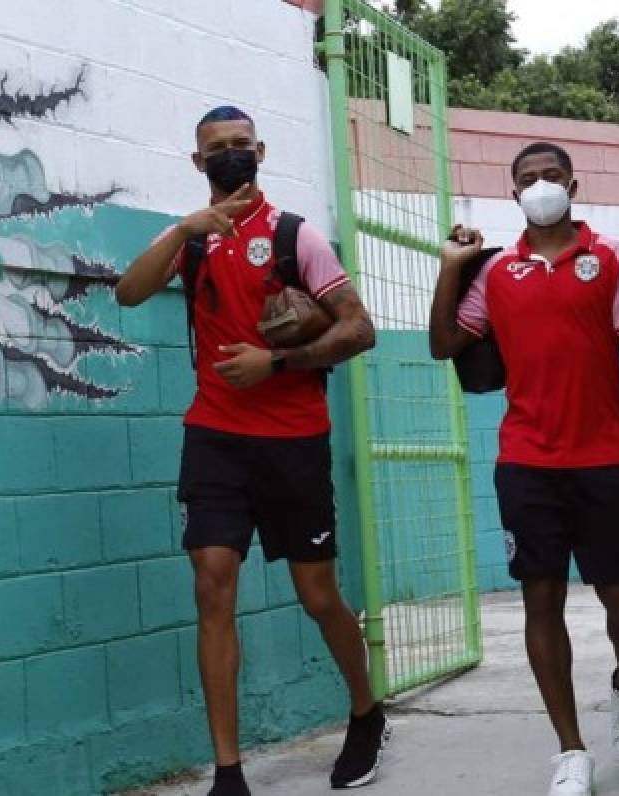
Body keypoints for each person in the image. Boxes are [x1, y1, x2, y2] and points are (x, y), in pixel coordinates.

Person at [116, 106, 388, 795]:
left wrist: (278, 362)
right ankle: (229, 772)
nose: (231, 156)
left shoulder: (297, 235)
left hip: (294, 441)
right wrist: (183, 227)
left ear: (261, 152)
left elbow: (359, 329)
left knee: (317, 594)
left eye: (242, 146)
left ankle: (365, 712)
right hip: (215, 436)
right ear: (197, 161)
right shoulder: (193, 240)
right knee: (212, 584)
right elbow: (126, 293)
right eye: (218, 149)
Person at [428, 141, 619, 796]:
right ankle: (570, 750)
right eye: (527, 179)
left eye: (551, 175)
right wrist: (452, 268)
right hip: (526, 461)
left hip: (603, 457)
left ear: (574, 183)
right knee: (542, 598)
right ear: (512, 194)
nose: (541, 185)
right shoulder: (495, 272)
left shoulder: (610, 258)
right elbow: (443, 344)